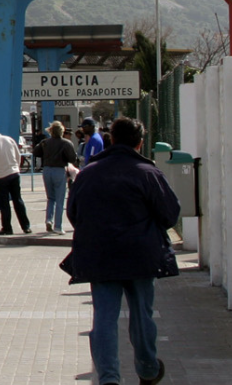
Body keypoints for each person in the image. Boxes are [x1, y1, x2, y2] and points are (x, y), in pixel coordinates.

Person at [65, 117, 180, 385]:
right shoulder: (148, 173)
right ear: (140, 143)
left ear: (111, 139)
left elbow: (73, 214)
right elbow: (170, 215)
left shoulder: (89, 174)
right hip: (141, 256)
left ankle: (108, 379)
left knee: (104, 319)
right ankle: (148, 369)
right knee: (142, 316)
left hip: (99, 256)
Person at [36, 121, 76, 234]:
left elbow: (36, 152)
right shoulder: (66, 143)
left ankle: (49, 220)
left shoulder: (45, 142)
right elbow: (72, 158)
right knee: (60, 200)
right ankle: (58, 226)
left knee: (50, 198)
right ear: (62, 131)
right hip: (59, 170)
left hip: (47, 170)